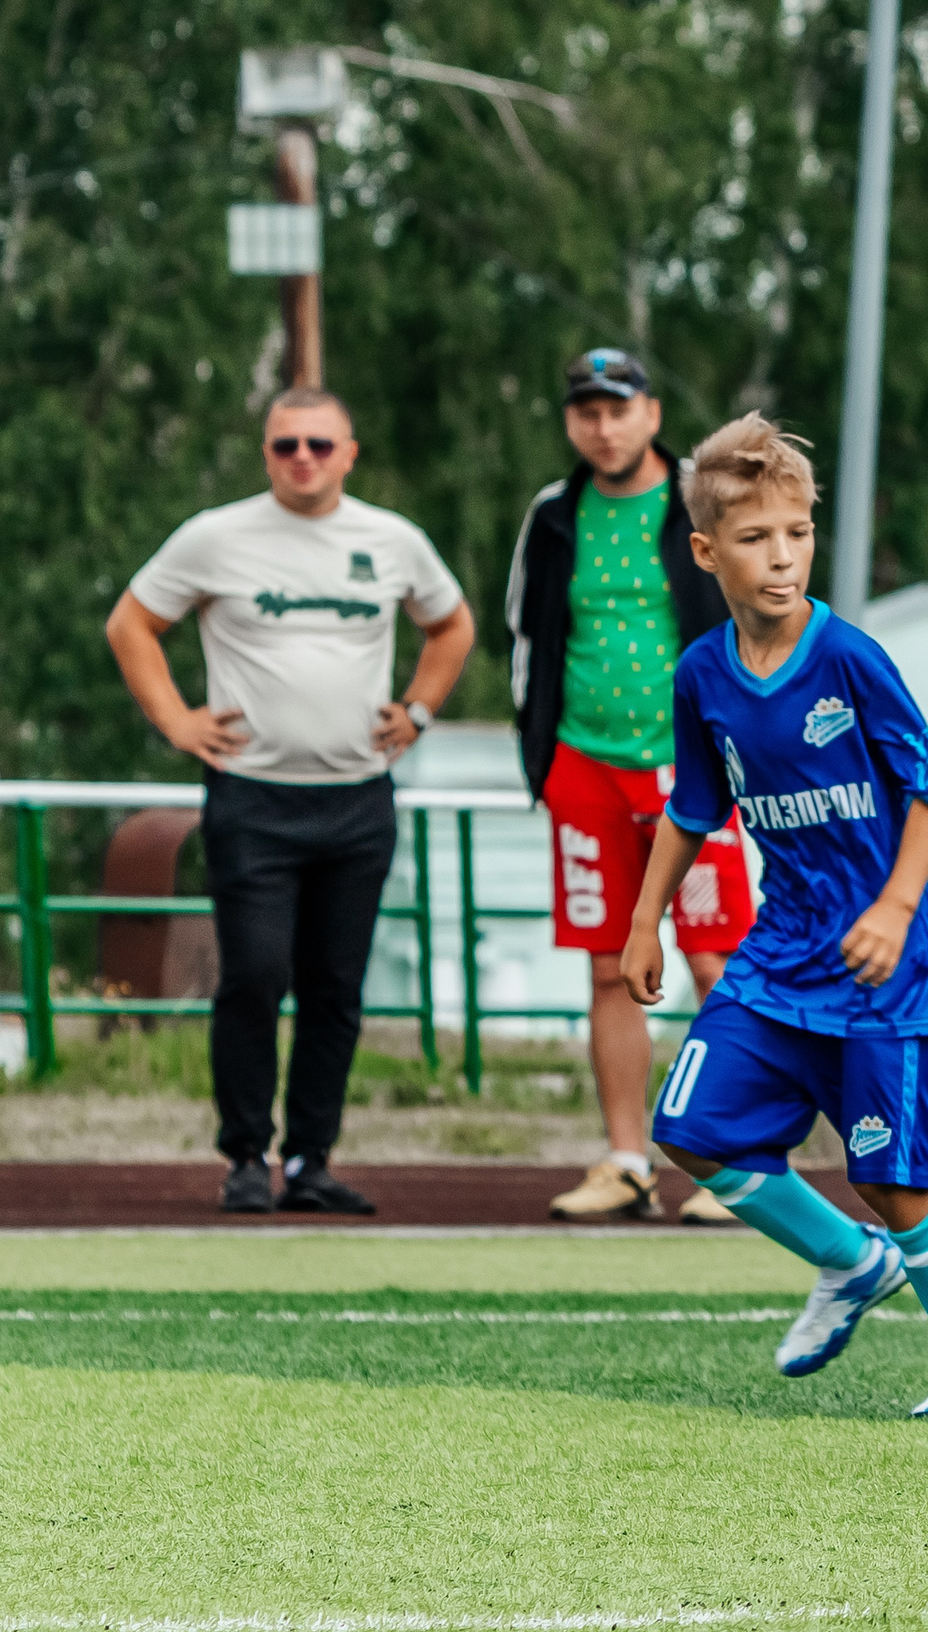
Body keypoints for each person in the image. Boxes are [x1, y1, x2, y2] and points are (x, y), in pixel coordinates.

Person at [623, 411, 928, 1419]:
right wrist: (643, 923)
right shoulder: (702, 675)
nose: (782, 556)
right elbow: (693, 807)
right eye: (757, 537)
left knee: (889, 1174)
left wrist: (896, 907)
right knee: (690, 1126)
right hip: (775, 956)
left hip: (875, 967)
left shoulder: (849, 658)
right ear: (706, 550)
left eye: (798, 533)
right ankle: (850, 1263)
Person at [106, 388, 477, 1216]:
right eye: (285, 446)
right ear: (266, 453)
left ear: (350, 452)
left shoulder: (393, 541)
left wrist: (416, 710)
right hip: (252, 798)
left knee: (334, 986)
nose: (302, 458)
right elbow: (131, 624)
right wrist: (175, 720)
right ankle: (246, 1154)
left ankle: (312, 1159)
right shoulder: (216, 536)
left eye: (318, 444)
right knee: (255, 973)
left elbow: (451, 626)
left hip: (355, 800)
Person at [505, 348, 751, 1227]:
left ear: (651, 412)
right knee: (609, 969)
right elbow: (525, 637)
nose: (603, 426)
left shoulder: (705, 501)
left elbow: (760, 612)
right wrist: (537, 760)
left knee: (716, 959)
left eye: (619, 408)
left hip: (690, 771)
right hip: (585, 767)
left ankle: (738, 1159)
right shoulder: (554, 514)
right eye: (586, 411)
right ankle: (625, 1159)